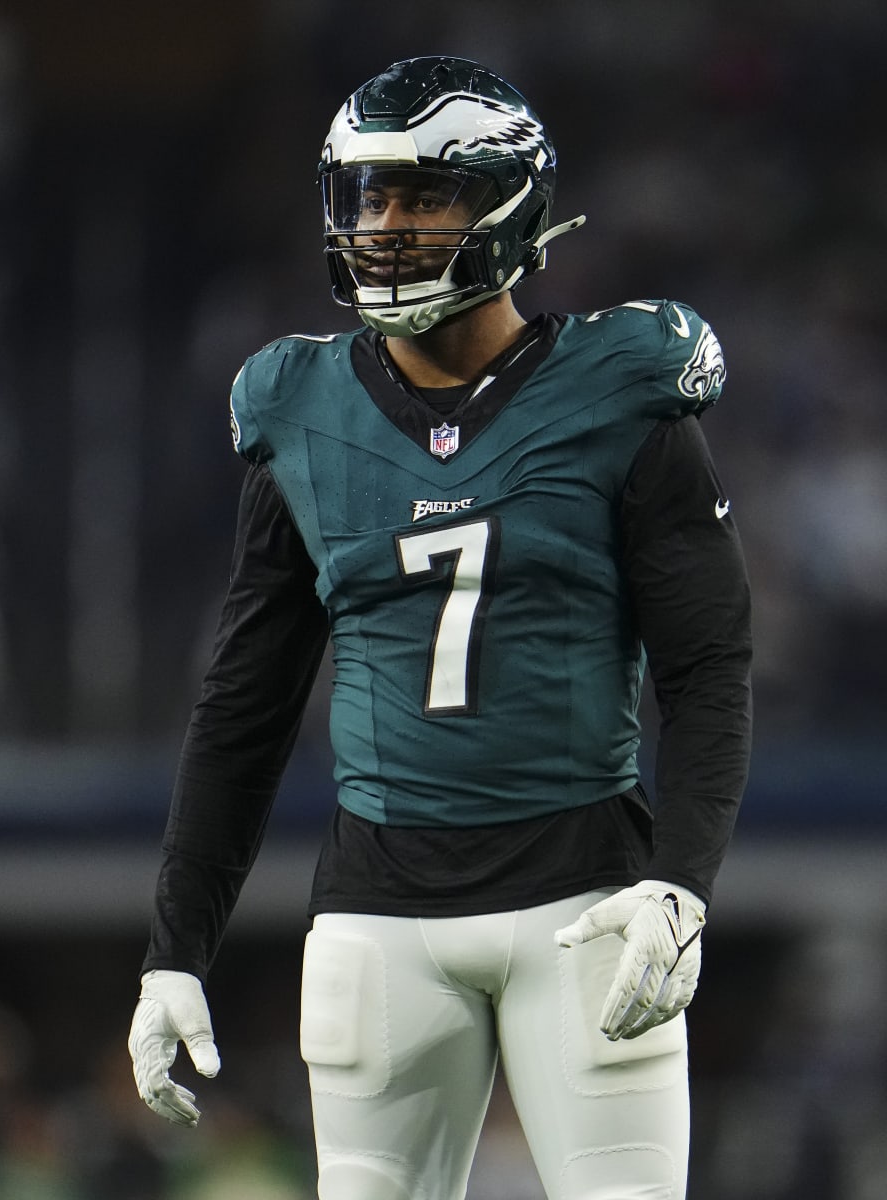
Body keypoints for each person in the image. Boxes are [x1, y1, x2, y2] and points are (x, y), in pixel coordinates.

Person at [128, 56, 751, 1200]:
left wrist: (681, 881)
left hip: (587, 898)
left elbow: (710, 668)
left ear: (507, 203)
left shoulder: (622, 390)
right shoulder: (299, 409)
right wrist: (176, 948)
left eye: (421, 195)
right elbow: (245, 707)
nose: (386, 227)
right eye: (367, 197)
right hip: (380, 911)